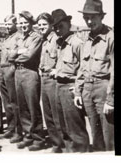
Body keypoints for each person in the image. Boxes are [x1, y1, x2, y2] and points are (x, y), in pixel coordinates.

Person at [75, 0, 114, 151]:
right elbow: (82, 67)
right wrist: (78, 91)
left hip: (104, 90)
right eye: (86, 18)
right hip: (88, 90)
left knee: (109, 135)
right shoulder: (87, 38)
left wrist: (111, 100)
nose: (89, 21)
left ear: (101, 17)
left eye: (93, 17)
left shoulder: (111, 37)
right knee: (95, 134)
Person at [52, 9, 90, 152]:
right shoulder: (59, 42)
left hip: (70, 87)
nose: (57, 30)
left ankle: (81, 153)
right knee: (63, 127)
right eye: (55, 27)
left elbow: (84, 68)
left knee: (75, 128)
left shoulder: (77, 43)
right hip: (59, 86)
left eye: (60, 26)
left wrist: (78, 88)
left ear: (68, 23)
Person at [11, 11, 46, 151]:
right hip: (18, 72)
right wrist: (19, 51)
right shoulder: (18, 37)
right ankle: (28, 136)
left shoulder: (36, 37)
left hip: (30, 72)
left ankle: (38, 138)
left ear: (31, 23)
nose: (23, 25)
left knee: (32, 106)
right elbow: (9, 55)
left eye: (25, 22)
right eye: (20, 23)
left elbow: (29, 56)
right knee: (22, 106)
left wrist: (17, 53)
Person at [37, 12, 64, 153]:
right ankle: (55, 144)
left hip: (53, 80)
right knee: (47, 114)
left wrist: (56, 70)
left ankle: (62, 144)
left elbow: (61, 57)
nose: (41, 27)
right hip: (44, 78)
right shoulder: (45, 40)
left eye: (44, 24)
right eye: (39, 24)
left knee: (56, 115)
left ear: (51, 25)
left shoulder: (56, 39)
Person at [0, 15, 23, 145]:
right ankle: (11, 128)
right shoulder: (6, 37)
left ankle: (19, 131)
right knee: (6, 102)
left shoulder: (19, 37)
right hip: (2, 69)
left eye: (9, 24)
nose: (7, 26)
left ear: (15, 24)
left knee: (15, 102)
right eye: (6, 24)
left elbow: (18, 52)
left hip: (11, 69)